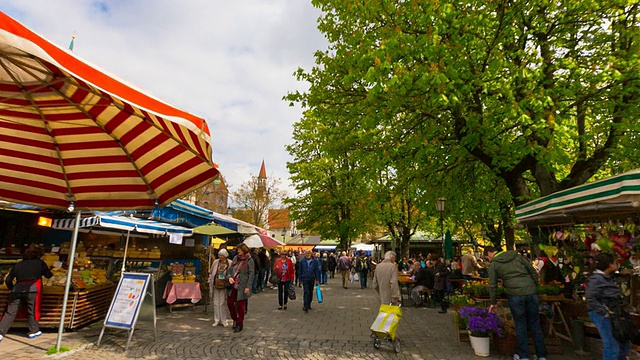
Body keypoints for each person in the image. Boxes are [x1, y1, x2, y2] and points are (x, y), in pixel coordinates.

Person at [486, 246, 547, 360]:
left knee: (520, 324)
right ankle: (541, 355)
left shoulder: (494, 264)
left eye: (487, 257)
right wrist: (534, 286)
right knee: (535, 323)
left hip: (515, 294)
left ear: (490, 253)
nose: (488, 259)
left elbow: (492, 285)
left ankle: (523, 356)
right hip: (531, 291)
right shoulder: (517, 256)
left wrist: (492, 302)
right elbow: (532, 271)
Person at [0, 244, 53, 341]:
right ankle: (33, 331)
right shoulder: (40, 263)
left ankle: (0, 333)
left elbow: (8, 280)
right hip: (32, 289)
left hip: (17, 289)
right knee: (32, 310)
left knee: (10, 312)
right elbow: (48, 275)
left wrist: (12, 288)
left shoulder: (18, 264)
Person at [586, 252, 631, 360]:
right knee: (612, 345)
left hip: (615, 312)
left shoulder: (606, 277)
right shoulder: (596, 279)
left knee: (624, 343)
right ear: (610, 264)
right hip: (603, 314)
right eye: (615, 262)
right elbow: (590, 298)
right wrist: (604, 311)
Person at [226, 243, 255, 333]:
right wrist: (230, 277)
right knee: (230, 303)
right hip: (233, 284)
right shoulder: (235, 258)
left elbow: (251, 274)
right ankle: (234, 318)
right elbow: (230, 270)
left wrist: (248, 287)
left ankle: (240, 323)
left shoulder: (249, 260)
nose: (238, 251)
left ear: (244, 250)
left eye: (239, 250)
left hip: (242, 285)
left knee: (240, 306)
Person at [209, 249, 232, 327]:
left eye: (222, 255)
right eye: (219, 255)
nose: (220, 257)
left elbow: (231, 273)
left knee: (222, 302)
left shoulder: (229, 263)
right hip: (216, 284)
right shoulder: (215, 262)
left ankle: (223, 320)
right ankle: (216, 319)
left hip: (224, 285)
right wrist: (210, 280)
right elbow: (211, 271)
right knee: (215, 302)